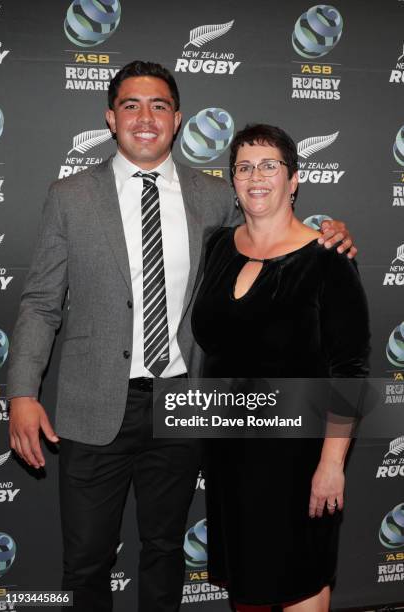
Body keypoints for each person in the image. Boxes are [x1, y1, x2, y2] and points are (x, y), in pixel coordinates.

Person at [7, 61, 356, 612]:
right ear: (110, 117)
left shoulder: (213, 196)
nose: (145, 118)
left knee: (166, 549)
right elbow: (41, 302)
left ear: (178, 119)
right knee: (87, 561)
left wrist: (330, 235)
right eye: (131, 105)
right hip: (93, 406)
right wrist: (23, 393)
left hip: (183, 404)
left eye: (159, 106)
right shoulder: (69, 196)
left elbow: (271, 230)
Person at [191, 124, 370, 611]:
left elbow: (349, 371)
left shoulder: (329, 258)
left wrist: (331, 465)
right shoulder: (216, 248)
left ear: (294, 180)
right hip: (230, 458)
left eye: (270, 165)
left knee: (300, 586)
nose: (256, 176)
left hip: (299, 459)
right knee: (246, 588)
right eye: (244, 167)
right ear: (232, 180)